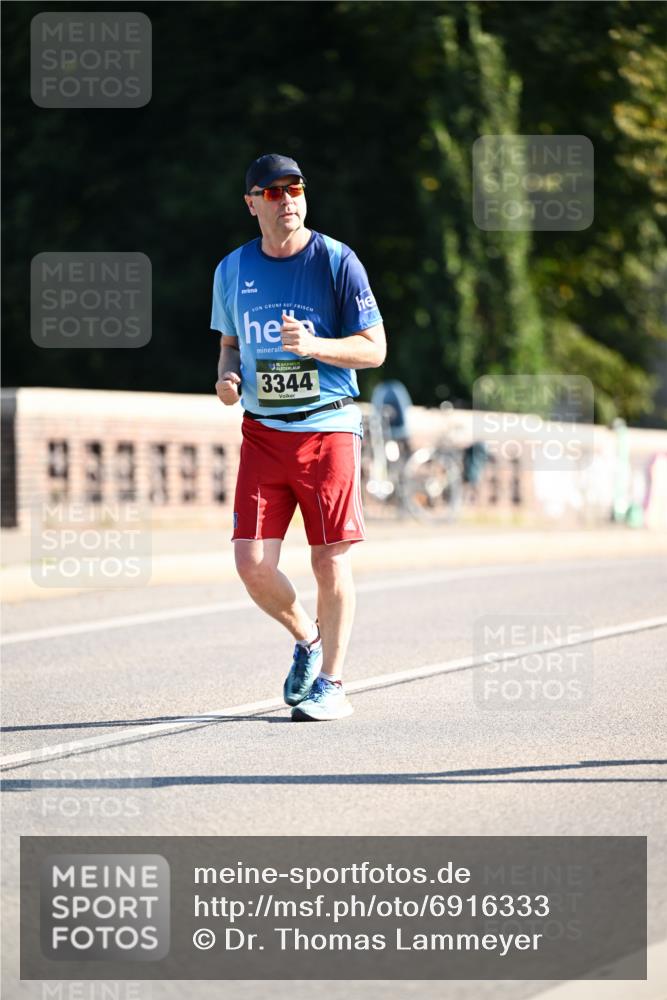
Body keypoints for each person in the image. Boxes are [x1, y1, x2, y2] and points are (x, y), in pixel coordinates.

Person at [211, 153, 386, 721]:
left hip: (327, 425)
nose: (287, 199)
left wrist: (315, 347)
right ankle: (308, 640)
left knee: (329, 559)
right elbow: (231, 342)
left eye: (296, 188)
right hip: (262, 432)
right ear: (252, 203)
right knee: (251, 563)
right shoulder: (232, 269)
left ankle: (333, 685)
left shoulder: (337, 261)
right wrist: (226, 375)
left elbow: (375, 348)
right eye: (274, 191)